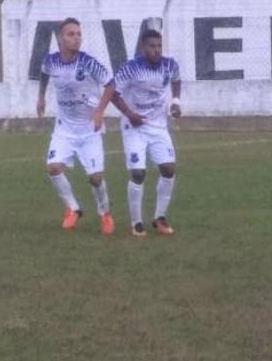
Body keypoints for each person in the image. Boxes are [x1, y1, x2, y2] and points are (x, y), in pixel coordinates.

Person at [37, 17, 116, 235]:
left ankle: (105, 213)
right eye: (71, 34)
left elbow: (110, 84)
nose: (76, 38)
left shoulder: (89, 63)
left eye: (79, 34)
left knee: (96, 177)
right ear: (60, 39)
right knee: (53, 168)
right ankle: (73, 208)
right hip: (64, 129)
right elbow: (44, 73)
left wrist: (99, 111)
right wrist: (41, 97)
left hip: (89, 130)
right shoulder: (51, 61)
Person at [110, 30, 181, 237]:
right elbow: (114, 93)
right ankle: (136, 222)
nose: (156, 50)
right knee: (138, 173)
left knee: (168, 169)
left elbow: (176, 80)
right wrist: (130, 114)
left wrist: (175, 102)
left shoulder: (169, 65)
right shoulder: (131, 68)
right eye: (152, 46)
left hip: (158, 126)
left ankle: (159, 217)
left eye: (159, 46)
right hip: (135, 127)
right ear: (143, 48)